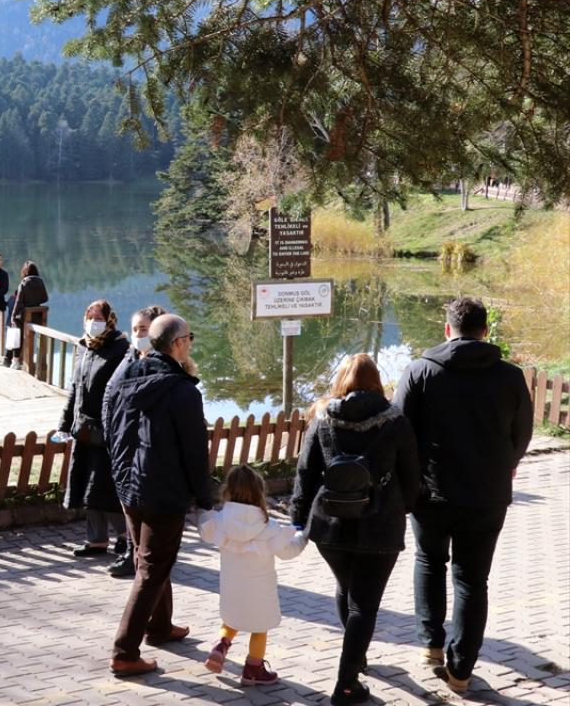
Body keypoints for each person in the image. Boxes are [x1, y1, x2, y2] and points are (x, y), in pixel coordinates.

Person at [393, 297, 533, 695]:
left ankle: (431, 645)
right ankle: (461, 670)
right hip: (487, 493)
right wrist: (507, 463)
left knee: (429, 561)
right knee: (472, 580)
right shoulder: (510, 376)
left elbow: (400, 431)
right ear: (485, 331)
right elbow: (522, 432)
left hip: (430, 491)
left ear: (447, 329)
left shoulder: (419, 371)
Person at [291, 353, 420, 705]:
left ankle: (356, 658)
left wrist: (298, 517)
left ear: (341, 380)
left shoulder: (323, 418)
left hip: (330, 526)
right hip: (380, 525)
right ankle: (346, 684)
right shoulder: (396, 421)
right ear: (376, 381)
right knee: (364, 604)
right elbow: (411, 476)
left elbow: (305, 472)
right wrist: (404, 507)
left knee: (346, 588)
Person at [102, 314, 213, 676]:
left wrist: (120, 474)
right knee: (151, 568)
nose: (191, 343)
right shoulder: (183, 392)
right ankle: (124, 651)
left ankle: (160, 626)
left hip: (128, 485)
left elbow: (110, 426)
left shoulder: (125, 377)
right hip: (162, 492)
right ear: (178, 343)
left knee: (147, 560)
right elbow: (195, 452)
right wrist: (205, 498)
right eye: (190, 337)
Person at [198, 465, 308, 686]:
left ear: (227, 491)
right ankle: (253, 670)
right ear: (260, 493)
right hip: (260, 592)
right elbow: (288, 552)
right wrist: (304, 536)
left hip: (232, 587)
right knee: (259, 628)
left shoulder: (219, 521)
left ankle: (220, 645)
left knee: (232, 619)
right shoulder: (270, 528)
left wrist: (202, 510)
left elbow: (204, 527)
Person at [56, 300, 131, 561]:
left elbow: (121, 392)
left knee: (104, 486)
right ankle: (96, 540)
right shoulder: (83, 347)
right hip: (84, 430)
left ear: (109, 320)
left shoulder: (120, 348)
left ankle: (126, 536)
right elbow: (75, 388)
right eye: (89, 316)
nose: (92, 322)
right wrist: (64, 424)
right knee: (87, 484)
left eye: (98, 317)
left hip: (107, 430)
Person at [102, 304, 168, 579]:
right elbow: (110, 394)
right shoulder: (129, 358)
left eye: (144, 329)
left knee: (143, 506)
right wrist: (110, 434)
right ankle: (133, 553)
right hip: (121, 445)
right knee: (129, 505)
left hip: (143, 447)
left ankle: (140, 557)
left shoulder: (161, 365)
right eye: (135, 329)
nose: (138, 334)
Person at [4, 261, 48, 370]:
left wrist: (13, 316)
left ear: (25, 271)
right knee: (33, 338)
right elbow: (45, 298)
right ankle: (35, 364)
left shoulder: (24, 283)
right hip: (37, 316)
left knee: (17, 336)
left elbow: (18, 301)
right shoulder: (41, 281)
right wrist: (35, 302)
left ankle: (15, 361)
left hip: (23, 316)